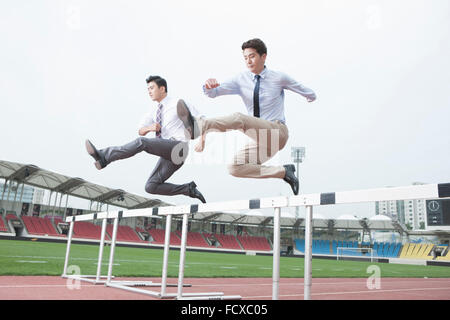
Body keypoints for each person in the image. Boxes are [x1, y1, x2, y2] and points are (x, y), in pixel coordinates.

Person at [177, 38, 316, 195]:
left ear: (263, 57)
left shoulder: (278, 78)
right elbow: (214, 93)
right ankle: (284, 172)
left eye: (252, 56)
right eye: (245, 58)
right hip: (261, 139)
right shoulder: (240, 79)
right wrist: (208, 86)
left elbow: (308, 92)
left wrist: (310, 97)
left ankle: (198, 126)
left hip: (277, 132)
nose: (248, 61)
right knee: (235, 167)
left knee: (239, 119)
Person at [85, 75, 206, 203]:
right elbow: (140, 130)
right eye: (148, 89)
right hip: (167, 154)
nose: (149, 91)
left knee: (142, 143)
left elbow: (203, 119)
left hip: (179, 147)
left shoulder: (178, 103)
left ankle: (105, 156)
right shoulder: (153, 111)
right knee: (151, 186)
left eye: (152, 88)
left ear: (162, 88)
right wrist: (150, 128)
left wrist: (202, 141)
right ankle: (188, 189)